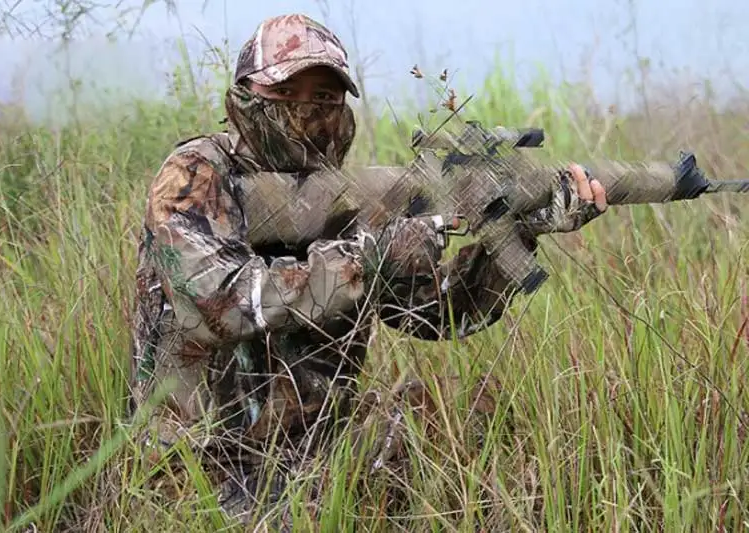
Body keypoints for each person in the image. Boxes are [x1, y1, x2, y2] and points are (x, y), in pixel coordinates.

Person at [127, 12, 608, 526]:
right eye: (288, 92)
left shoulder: (351, 196)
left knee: (441, 416)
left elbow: (436, 315)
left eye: (326, 98)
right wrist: (371, 259)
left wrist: (517, 233)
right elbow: (216, 304)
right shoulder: (197, 175)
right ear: (248, 95)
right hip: (200, 469)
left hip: (313, 456)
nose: (309, 111)